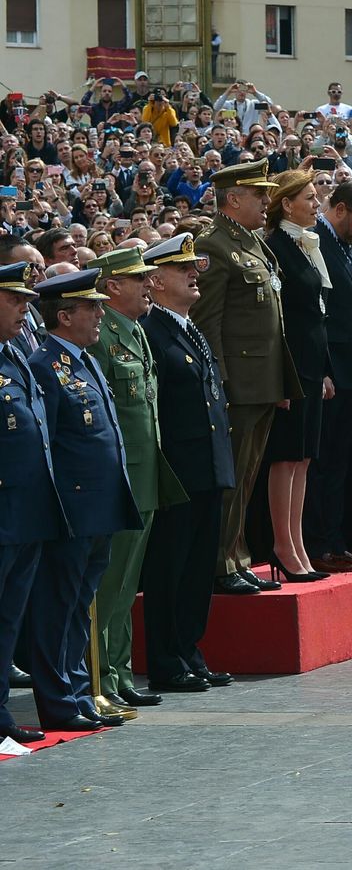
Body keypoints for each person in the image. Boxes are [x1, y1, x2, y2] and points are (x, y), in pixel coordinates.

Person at [27, 268, 142, 731]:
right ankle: (59, 700)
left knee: (79, 604)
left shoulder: (85, 359)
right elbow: (48, 445)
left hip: (100, 505)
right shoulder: (44, 365)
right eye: (91, 308)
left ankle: (78, 691)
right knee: (59, 604)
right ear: (64, 314)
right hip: (72, 509)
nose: (99, 314)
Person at [139, 234, 236, 693]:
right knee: (170, 568)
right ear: (155, 281)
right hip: (178, 470)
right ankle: (166, 659)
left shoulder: (186, 326)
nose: (194, 273)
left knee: (198, 569)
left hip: (207, 467)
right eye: (182, 270)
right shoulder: (151, 331)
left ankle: (189, 652)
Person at [192, 160, 294, 596]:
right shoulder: (215, 245)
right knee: (231, 477)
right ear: (233, 198)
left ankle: (237, 556)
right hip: (238, 383)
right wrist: (221, 381)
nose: (267, 202)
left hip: (262, 379)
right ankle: (221, 563)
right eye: (259, 195)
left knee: (247, 474)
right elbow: (207, 322)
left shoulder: (251, 242)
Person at [87, 247, 181, 716]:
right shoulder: (100, 337)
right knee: (108, 583)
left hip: (145, 475)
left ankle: (119, 672)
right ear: (111, 287)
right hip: (119, 479)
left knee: (127, 585)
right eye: (137, 278)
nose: (148, 284)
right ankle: (98, 675)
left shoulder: (135, 332)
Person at [0, 260, 67, 744]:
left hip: (26, 510)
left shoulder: (15, 355)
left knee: (8, 617)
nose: (25, 309)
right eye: (15, 300)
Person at [261, 171, 333, 582]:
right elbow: (279, 322)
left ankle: (297, 541)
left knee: (304, 457)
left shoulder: (307, 245)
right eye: (309, 197)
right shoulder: (276, 248)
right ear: (287, 204)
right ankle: (283, 545)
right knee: (286, 456)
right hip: (290, 365)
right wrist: (281, 377)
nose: (316, 203)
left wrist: (325, 370)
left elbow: (317, 315)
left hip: (310, 364)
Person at [306, 181, 352, 573]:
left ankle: (334, 540)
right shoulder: (316, 244)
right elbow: (320, 317)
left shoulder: (347, 249)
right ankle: (318, 543)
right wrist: (326, 371)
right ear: (338, 209)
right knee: (323, 465)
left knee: (339, 466)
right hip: (332, 377)